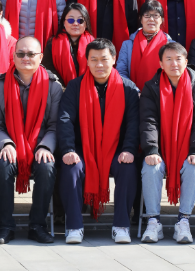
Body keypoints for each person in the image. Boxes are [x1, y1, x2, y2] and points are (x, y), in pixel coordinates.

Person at [55, 39, 141, 244]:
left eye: (104, 59)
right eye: (93, 59)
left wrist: (129, 149)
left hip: (117, 149)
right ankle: (74, 226)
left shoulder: (128, 88)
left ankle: (121, 225)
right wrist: (68, 149)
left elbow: (134, 123)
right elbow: (65, 119)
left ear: (114, 59)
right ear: (87, 61)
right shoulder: (75, 87)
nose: (99, 64)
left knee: (128, 167)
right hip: (83, 148)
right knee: (72, 167)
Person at [0, 37, 64, 244]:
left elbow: (55, 126)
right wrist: (6, 144)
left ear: (41, 57)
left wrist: (46, 146)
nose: (25, 58)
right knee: (3, 165)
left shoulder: (53, 86)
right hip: (8, 145)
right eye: (20, 54)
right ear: (13, 56)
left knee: (47, 167)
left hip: (40, 145)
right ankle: (5, 226)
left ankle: (37, 226)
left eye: (31, 54)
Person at [137, 42, 195, 244]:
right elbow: (148, 121)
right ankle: (153, 221)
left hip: (188, 149)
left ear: (186, 62)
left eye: (178, 59)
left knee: (194, 167)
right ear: (161, 63)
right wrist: (152, 149)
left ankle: (183, 221)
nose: (174, 63)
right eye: (168, 59)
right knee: (151, 167)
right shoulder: (151, 87)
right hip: (160, 149)